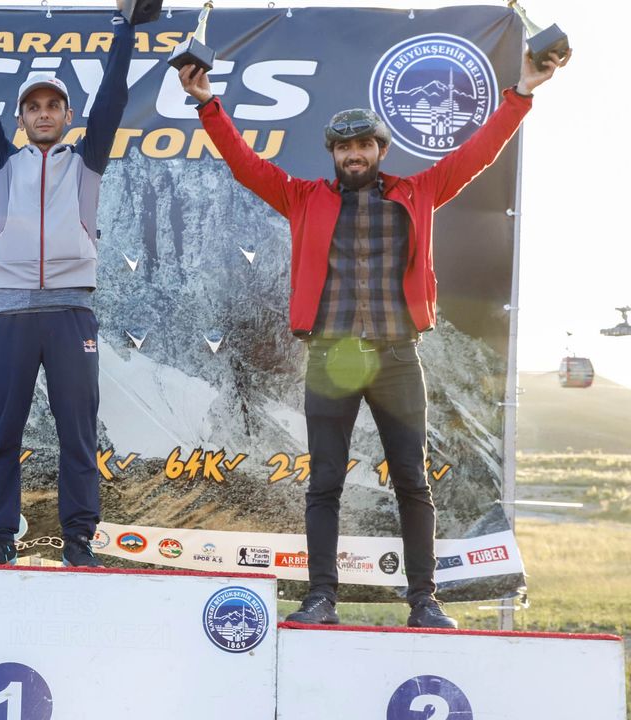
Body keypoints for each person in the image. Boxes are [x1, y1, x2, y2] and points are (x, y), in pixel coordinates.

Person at [180, 46, 568, 627]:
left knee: (412, 481)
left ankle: (424, 601)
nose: (354, 154)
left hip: (396, 358)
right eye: (343, 147)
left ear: (381, 150)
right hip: (329, 358)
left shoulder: (419, 191)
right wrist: (208, 103)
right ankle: (320, 599)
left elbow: (479, 153)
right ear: (333, 155)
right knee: (325, 483)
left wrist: (523, 92)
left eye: (363, 145)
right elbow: (244, 163)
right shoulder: (302, 197)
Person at [0, 0, 136, 568]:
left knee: (78, 434)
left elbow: (113, 96)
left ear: (68, 116)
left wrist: (124, 25)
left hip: (72, 312)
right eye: (33, 107)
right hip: (8, 314)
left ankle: (79, 543)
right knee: (3, 434)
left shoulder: (88, 161)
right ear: (21, 118)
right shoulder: (2, 162)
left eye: (53, 106)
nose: (43, 114)